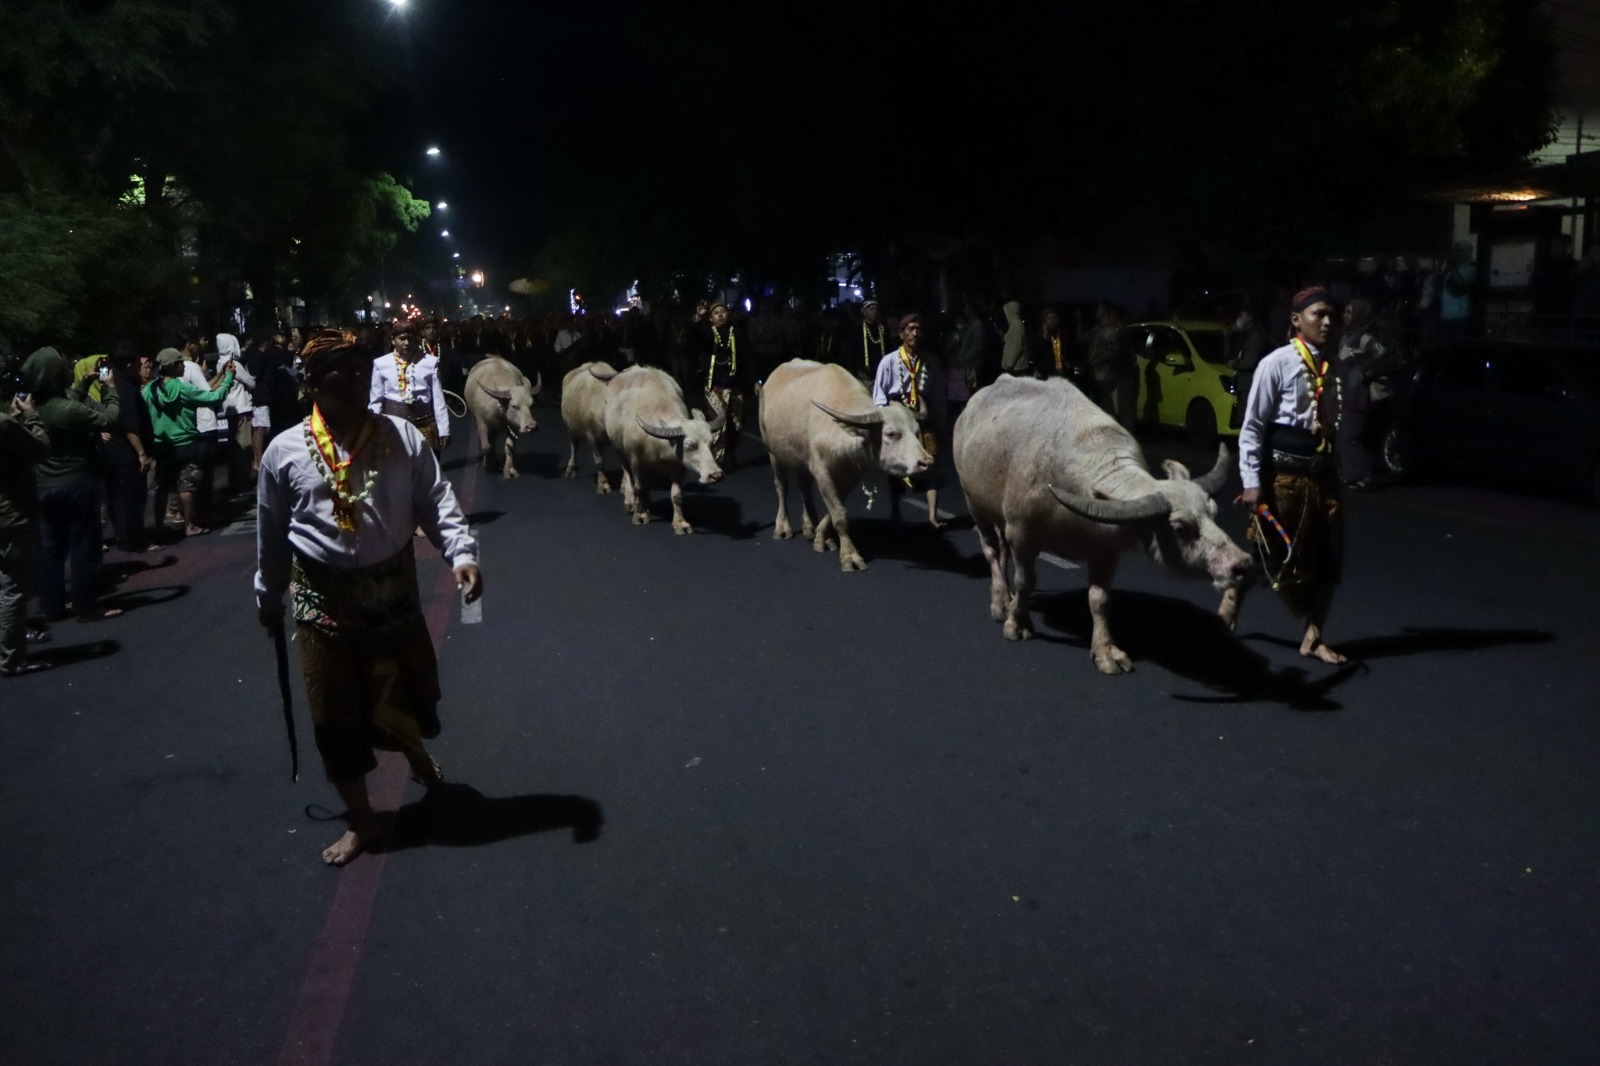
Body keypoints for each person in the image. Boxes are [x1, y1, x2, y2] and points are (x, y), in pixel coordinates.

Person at [255, 328, 482, 866]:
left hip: (392, 595)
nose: (359, 380)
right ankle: (362, 820)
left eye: (362, 370)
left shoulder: (401, 436)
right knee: (334, 716)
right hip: (322, 605)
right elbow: (271, 535)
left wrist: (461, 553)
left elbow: (436, 500)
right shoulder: (283, 452)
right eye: (344, 372)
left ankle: (414, 754)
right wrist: (268, 596)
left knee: (398, 694)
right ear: (312, 383)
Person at [1230, 286, 1347, 664]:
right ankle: (1231, 599)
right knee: (1269, 555)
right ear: (1296, 320)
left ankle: (1313, 638)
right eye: (1318, 314)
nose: (1327, 322)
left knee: (1329, 561)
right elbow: (1252, 427)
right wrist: (1251, 483)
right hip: (1284, 480)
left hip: (1324, 478)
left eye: (1331, 315)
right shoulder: (1275, 364)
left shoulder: (1334, 366)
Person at [24, 347, 125, 622]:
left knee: (51, 550)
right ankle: (87, 606)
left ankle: (52, 605)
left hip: (44, 486)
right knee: (84, 547)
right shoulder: (66, 409)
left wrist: (84, 383)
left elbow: (67, 402)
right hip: (76, 482)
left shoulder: (31, 408)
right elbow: (109, 419)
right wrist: (110, 390)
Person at [144, 347, 236, 537]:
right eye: (180, 363)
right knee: (187, 484)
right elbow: (214, 397)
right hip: (186, 443)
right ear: (173, 366)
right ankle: (189, 524)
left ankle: (159, 526)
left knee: (163, 487)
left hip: (161, 445)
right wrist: (227, 378)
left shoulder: (149, 390)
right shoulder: (182, 388)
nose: (184, 366)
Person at [872, 312, 944, 530]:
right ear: (901, 334)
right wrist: (889, 419)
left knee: (930, 465)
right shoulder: (889, 361)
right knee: (897, 469)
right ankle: (896, 513)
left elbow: (937, 394)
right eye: (910, 329)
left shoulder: (931, 361)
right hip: (900, 421)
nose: (915, 333)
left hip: (923, 418)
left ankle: (932, 516)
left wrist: (938, 420)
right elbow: (879, 397)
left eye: (918, 329)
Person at [0, 391, 53, 676]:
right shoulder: (3, 424)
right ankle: (11, 659)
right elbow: (41, 449)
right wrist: (31, 416)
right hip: (11, 516)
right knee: (13, 589)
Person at [369, 321, 450, 453]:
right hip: (393, 429)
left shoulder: (430, 362)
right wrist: (374, 431)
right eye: (402, 339)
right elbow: (376, 401)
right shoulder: (381, 364)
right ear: (393, 340)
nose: (407, 343)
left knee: (428, 465)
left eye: (410, 339)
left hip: (425, 428)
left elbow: (438, 399)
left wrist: (444, 430)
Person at [692, 301, 748, 467]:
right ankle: (718, 460)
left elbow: (747, 359)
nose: (720, 315)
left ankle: (729, 453)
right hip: (715, 387)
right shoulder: (707, 333)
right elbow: (695, 336)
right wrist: (699, 318)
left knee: (736, 424)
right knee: (719, 423)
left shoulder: (737, 333)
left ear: (728, 314)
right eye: (716, 313)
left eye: (723, 311)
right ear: (711, 318)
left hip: (735, 386)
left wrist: (754, 381)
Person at [1085, 303, 1135, 429]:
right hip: (1117, 373)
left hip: (1120, 374)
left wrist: (1096, 362)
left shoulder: (1120, 333)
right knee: (1115, 405)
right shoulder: (1118, 331)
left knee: (1122, 408)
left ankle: (1124, 432)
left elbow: (1117, 353)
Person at [842, 299, 891, 382]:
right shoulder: (857, 328)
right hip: (863, 372)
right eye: (871, 309)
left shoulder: (883, 328)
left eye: (876, 309)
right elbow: (852, 351)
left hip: (882, 370)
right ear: (863, 312)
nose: (874, 312)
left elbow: (889, 348)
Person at [1439, 241, 1476, 345]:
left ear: (1466, 252)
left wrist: (1452, 268)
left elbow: (1461, 285)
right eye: (1454, 250)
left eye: (1459, 250)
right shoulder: (1449, 271)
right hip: (1446, 314)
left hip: (1460, 315)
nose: (1455, 253)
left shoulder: (1470, 269)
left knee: (1460, 346)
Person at [1028, 307, 1071, 379]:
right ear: (1044, 321)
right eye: (1049, 318)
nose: (1053, 321)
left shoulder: (1063, 335)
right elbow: (1035, 354)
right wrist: (1046, 338)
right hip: (1045, 374)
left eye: (1055, 318)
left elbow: (1068, 351)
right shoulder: (1037, 336)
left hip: (1061, 373)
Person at [999, 300, 1028, 375]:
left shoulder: (1017, 326)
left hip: (1016, 368)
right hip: (1014, 367)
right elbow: (1012, 340)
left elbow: (1017, 347)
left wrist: (1009, 365)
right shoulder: (1014, 325)